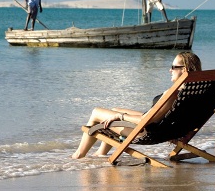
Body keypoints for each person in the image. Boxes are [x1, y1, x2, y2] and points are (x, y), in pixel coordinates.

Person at [71, 52, 201, 159]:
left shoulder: (173, 94)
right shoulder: (193, 93)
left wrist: (120, 116)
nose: (169, 70)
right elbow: (155, 116)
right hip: (163, 130)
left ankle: (78, 155)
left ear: (184, 70)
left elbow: (145, 120)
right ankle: (100, 153)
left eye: (173, 67)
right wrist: (118, 114)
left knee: (96, 113)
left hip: (146, 132)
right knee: (114, 110)